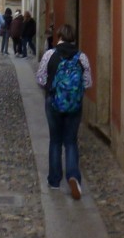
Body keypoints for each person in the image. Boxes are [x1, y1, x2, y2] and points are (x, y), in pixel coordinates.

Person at [36, 23, 92, 199]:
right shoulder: (82, 57)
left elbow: (40, 78)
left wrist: (51, 88)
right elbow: (88, 82)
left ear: (59, 36)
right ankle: (73, 176)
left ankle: (54, 180)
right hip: (74, 105)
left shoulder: (49, 54)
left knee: (55, 140)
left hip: (53, 102)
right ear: (73, 38)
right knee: (71, 142)